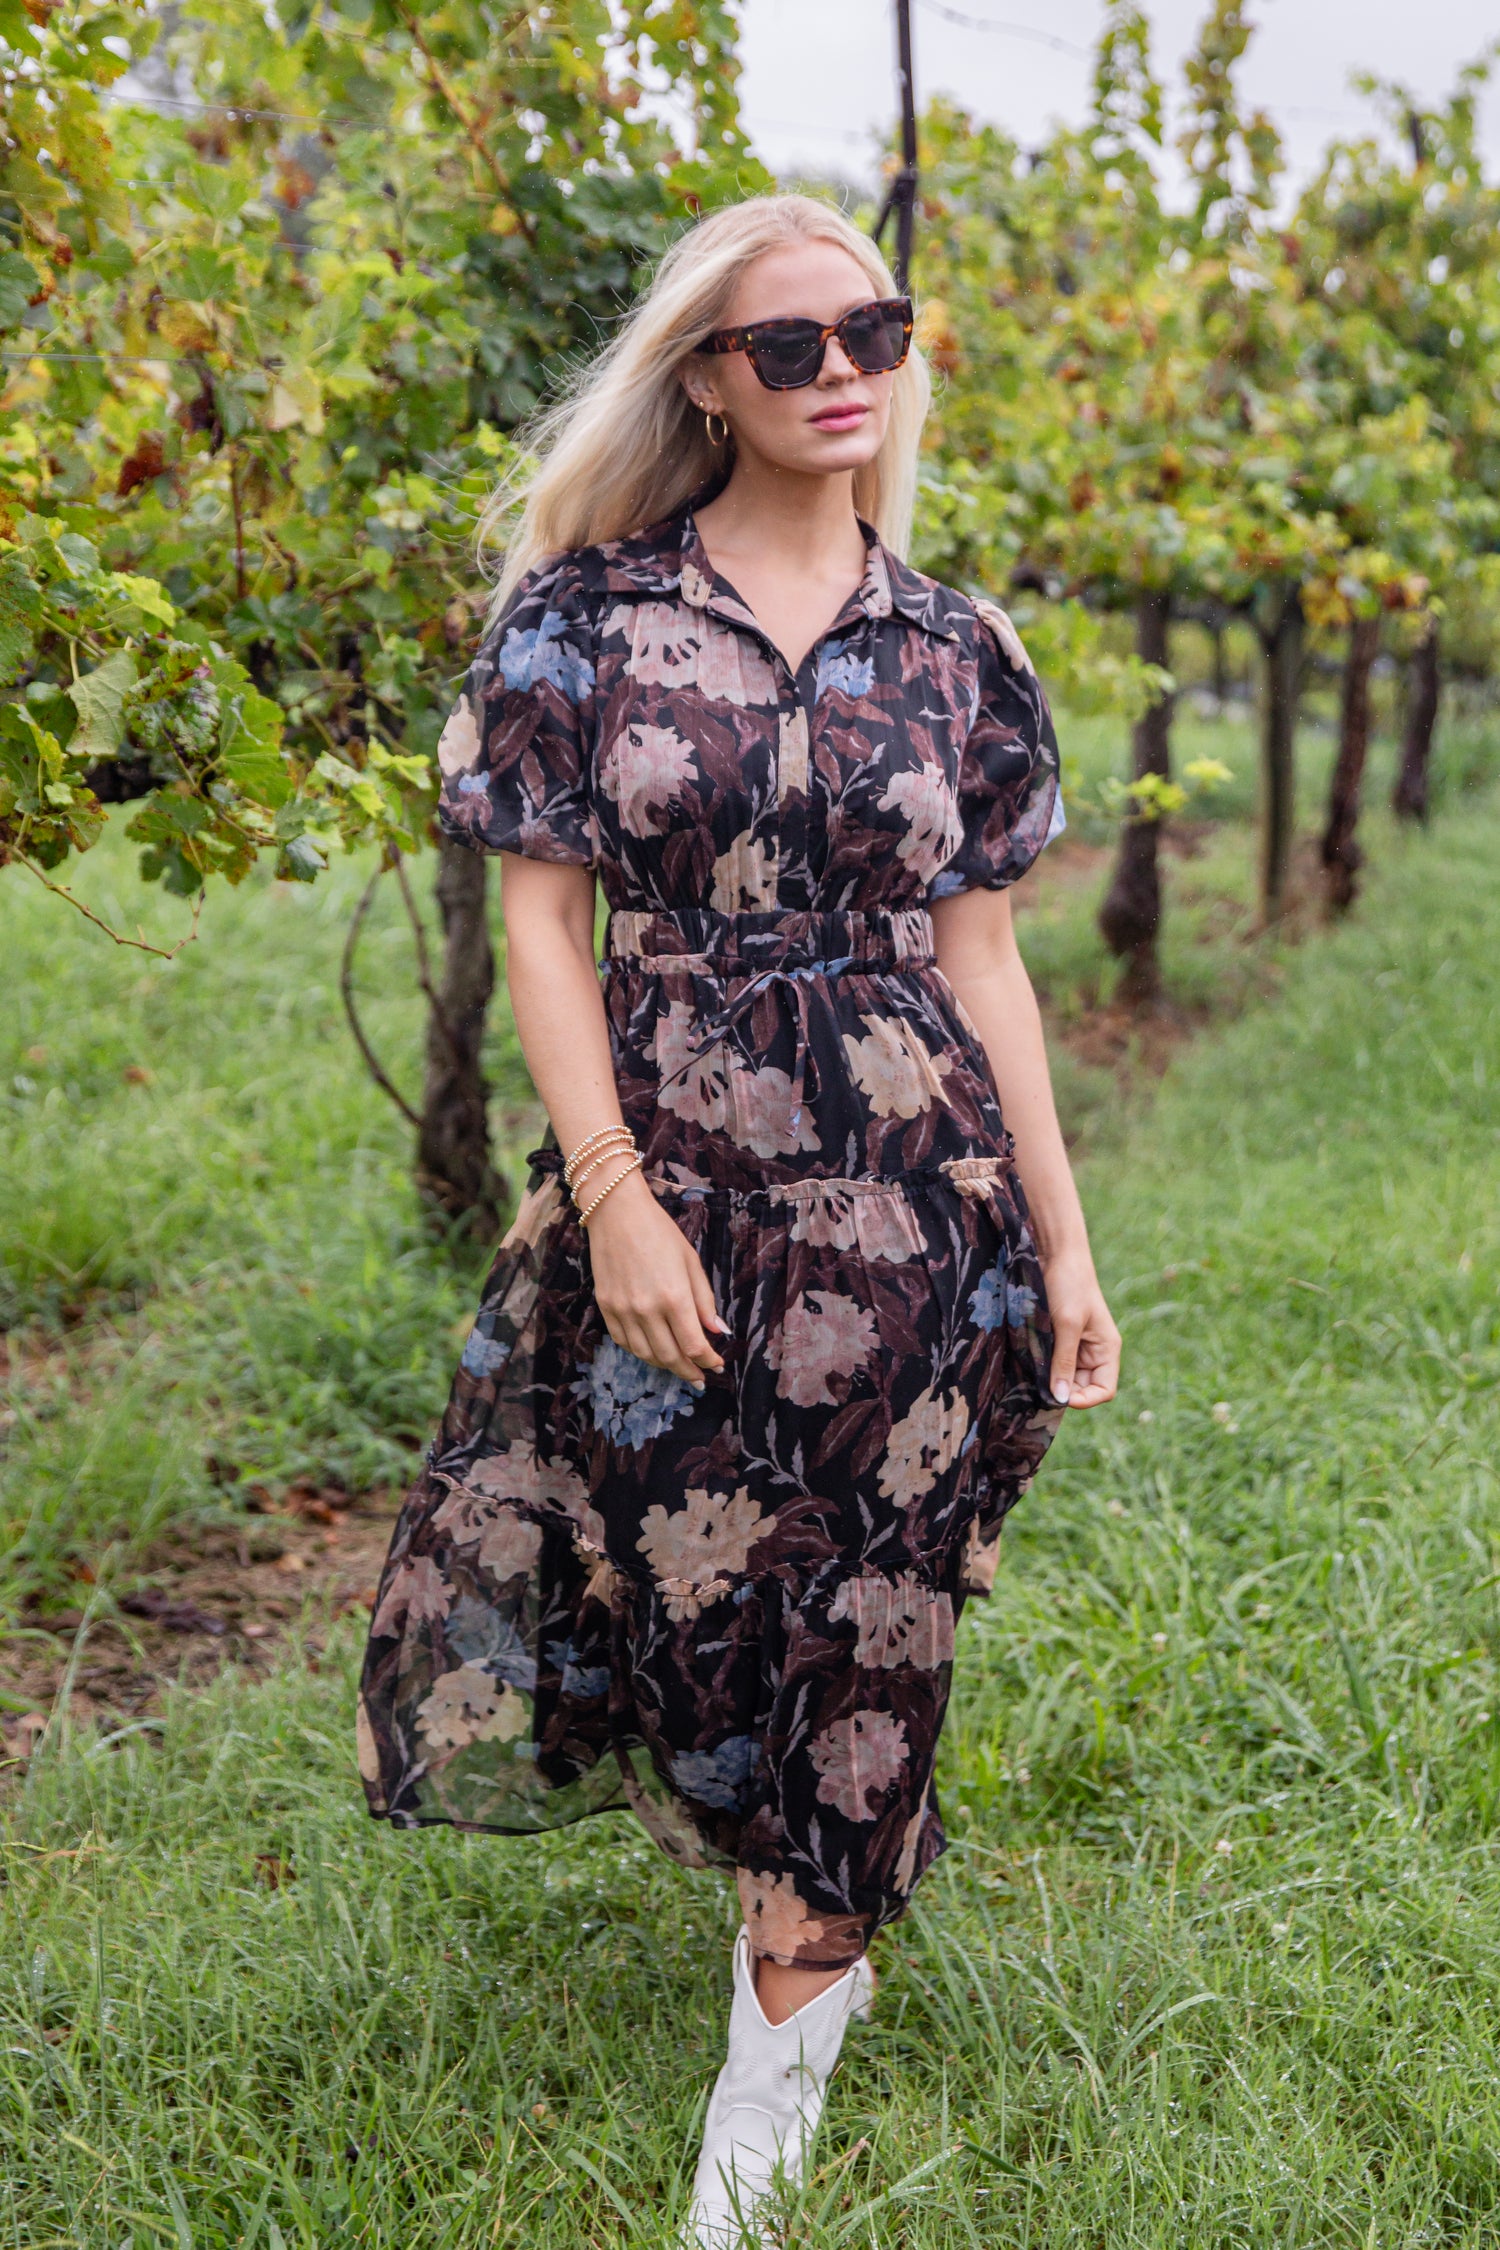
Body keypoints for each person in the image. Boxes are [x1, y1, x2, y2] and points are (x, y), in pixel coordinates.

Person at [357, 192, 1120, 2245]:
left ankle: (757, 2129)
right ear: (709, 375)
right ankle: (771, 1889)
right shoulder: (585, 622)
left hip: (916, 1221)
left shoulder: (959, 647)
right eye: (786, 344)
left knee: (875, 1628)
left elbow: (987, 968)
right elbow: (541, 925)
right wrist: (610, 1200)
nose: (839, 369)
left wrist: (1062, 1239)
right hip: (675, 1195)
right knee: (701, 1616)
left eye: (867, 327)